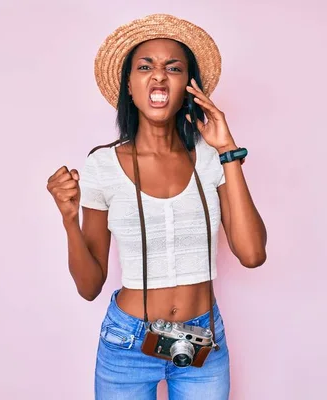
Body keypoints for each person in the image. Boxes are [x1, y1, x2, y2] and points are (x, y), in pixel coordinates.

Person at [47, 14, 267, 400]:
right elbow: (89, 286)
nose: (159, 76)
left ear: (188, 86)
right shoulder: (101, 166)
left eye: (174, 68)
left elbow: (251, 254)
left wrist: (228, 150)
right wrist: (69, 220)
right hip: (126, 343)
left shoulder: (212, 159)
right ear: (129, 86)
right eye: (145, 67)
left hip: (203, 340)